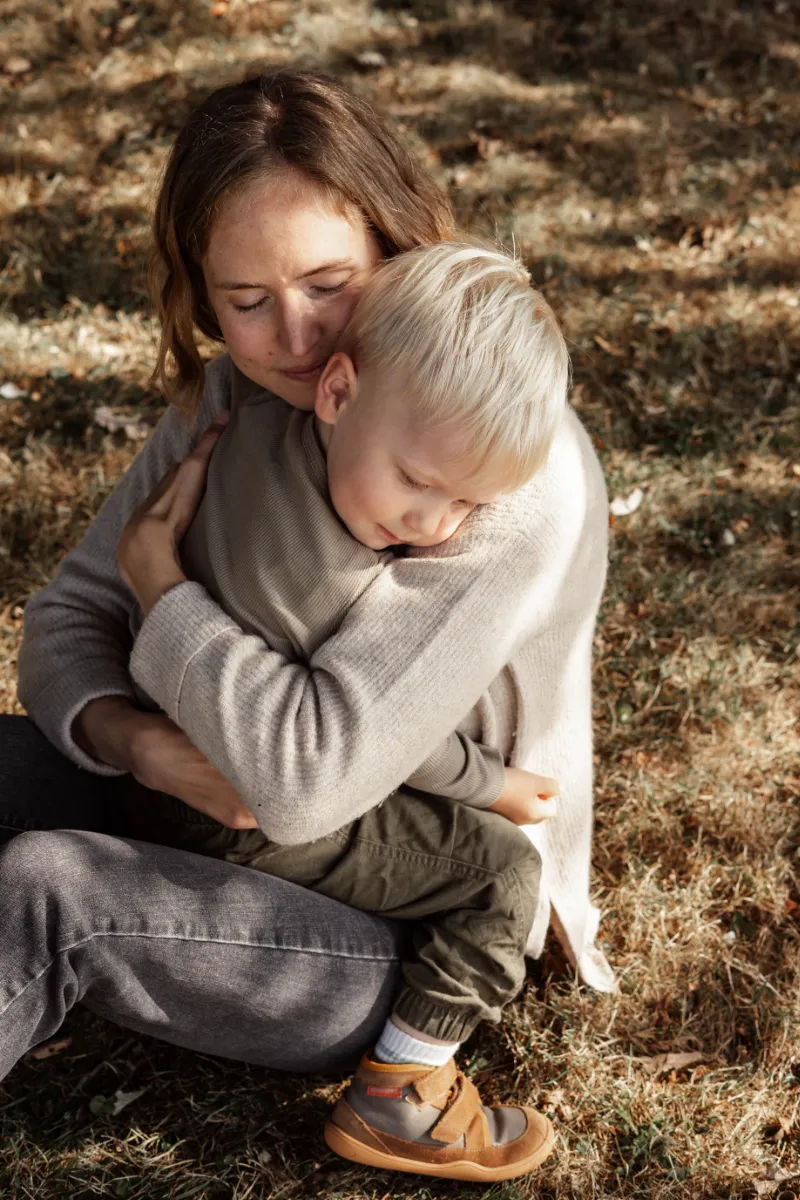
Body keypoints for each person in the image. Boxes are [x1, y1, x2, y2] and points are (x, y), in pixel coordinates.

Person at [0, 66, 612, 1164]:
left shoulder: (488, 472)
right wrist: (140, 742)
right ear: (200, 294)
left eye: (328, 284)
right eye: (244, 302)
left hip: (401, 922)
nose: (290, 338)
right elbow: (61, 623)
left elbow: (301, 782)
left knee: (51, 887)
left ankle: (402, 1089)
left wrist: (165, 590)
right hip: (197, 798)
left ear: (394, 246)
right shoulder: (237, 400)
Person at [117, 240, 566, 1180]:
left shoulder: (239, 418)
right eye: (417, 480)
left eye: (465, 503)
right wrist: (495, 785)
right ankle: (400, 1092)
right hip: (245, 808)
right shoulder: (338, 578)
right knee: (499, 876)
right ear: (335, 392)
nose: (434, 527)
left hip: (156, 751)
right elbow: (381, 744)